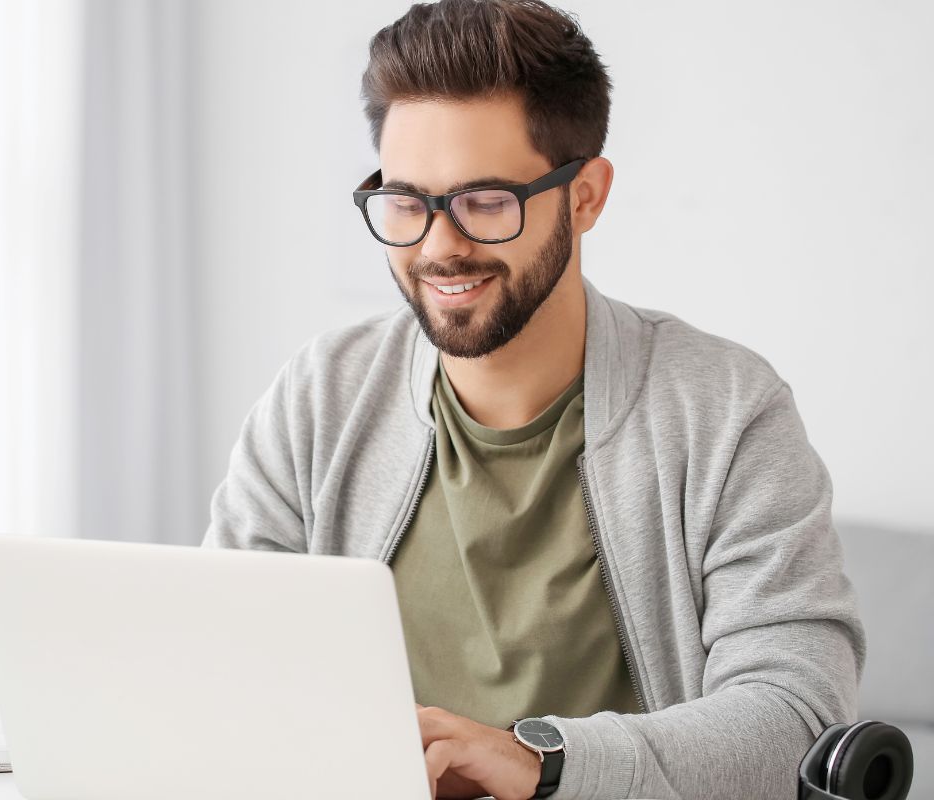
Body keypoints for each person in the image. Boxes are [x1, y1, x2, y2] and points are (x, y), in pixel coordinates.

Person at [202, 1, 864, 798]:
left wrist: (543, 763)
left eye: (485, 200)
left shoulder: (725, 411)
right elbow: (225, 659)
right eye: (407, 201)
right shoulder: (321, 398)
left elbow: (794, 717)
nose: (439, 245)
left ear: (584, 195)